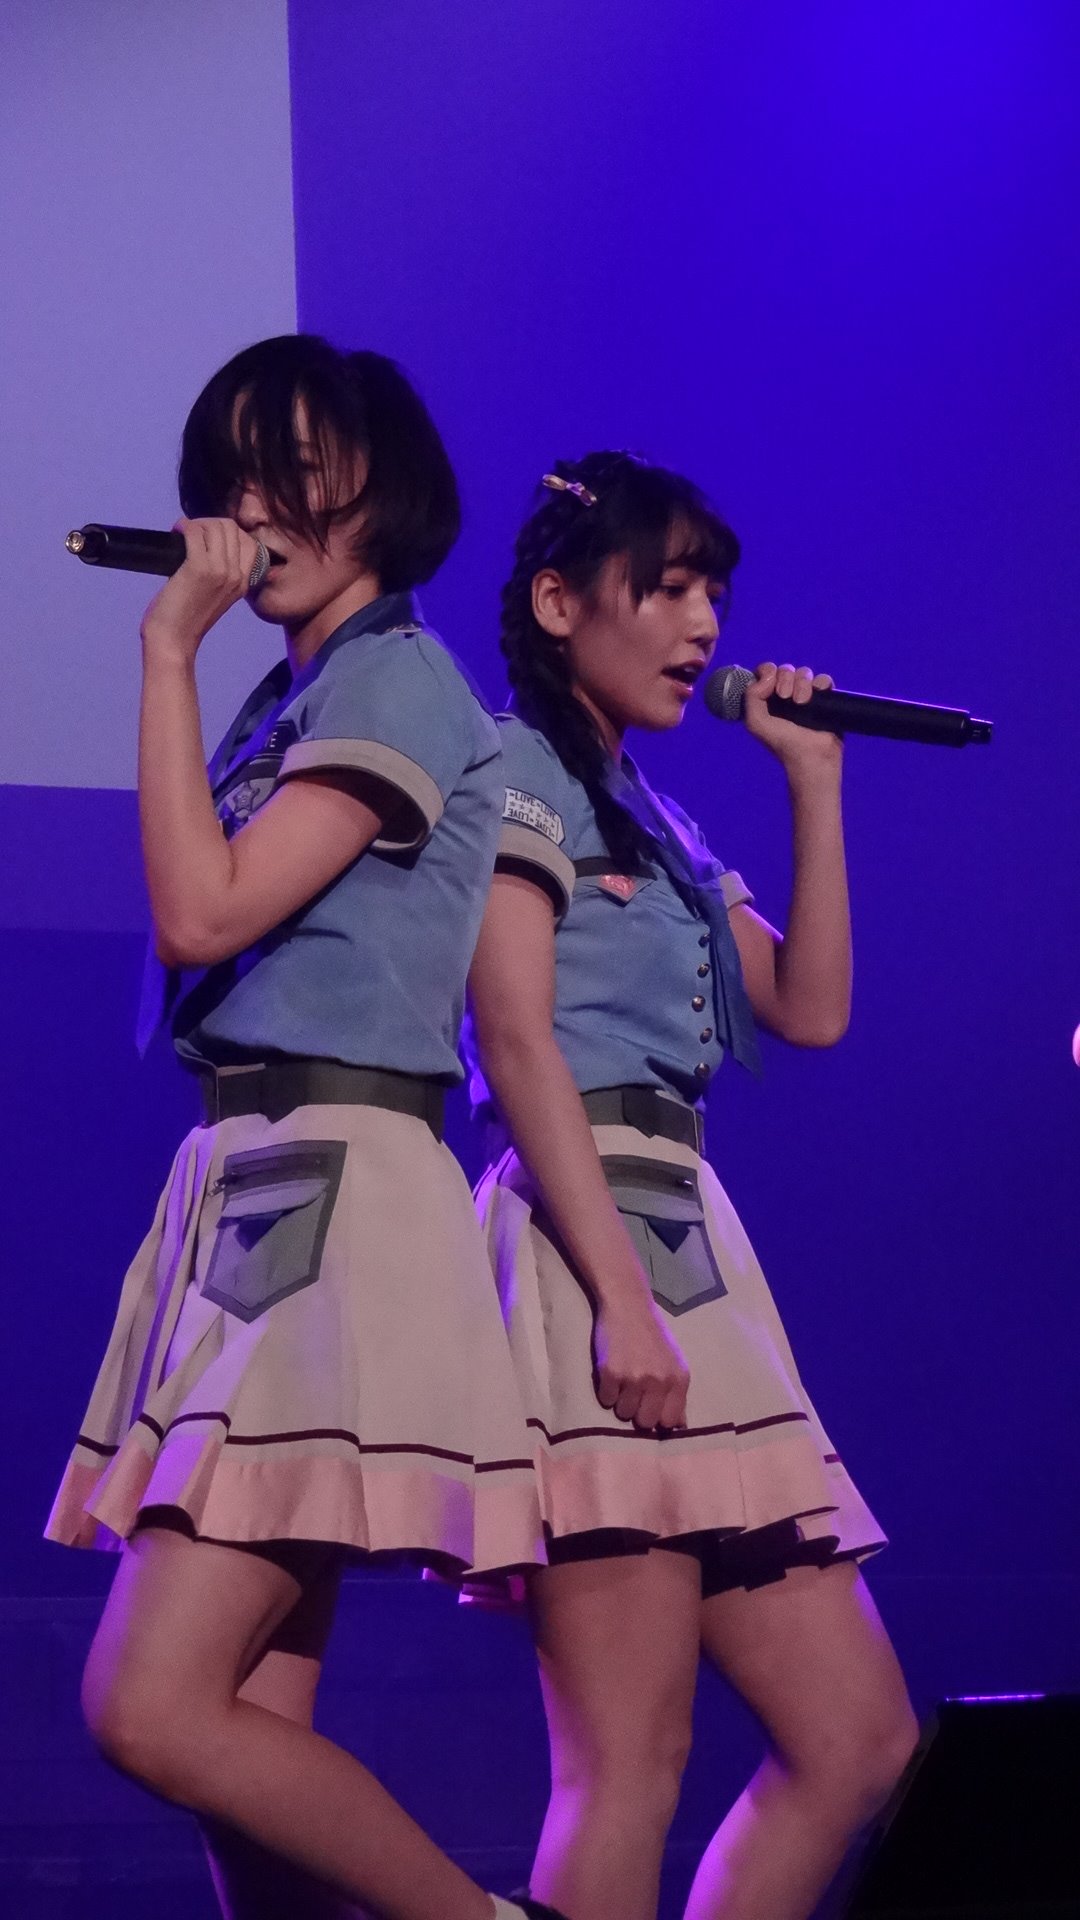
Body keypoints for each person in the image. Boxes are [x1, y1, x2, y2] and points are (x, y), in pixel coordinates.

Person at [46, 335, 557, 1920]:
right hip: (255, 1181)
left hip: (329, 1188)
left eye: (289, 474)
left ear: (381, 489)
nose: (248, 508)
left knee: (147, 1705)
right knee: (248, 1729)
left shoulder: (395, 679)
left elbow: (201, 914)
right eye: (229, 478)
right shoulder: (306, 692)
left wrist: (163, 652)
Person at [466, 453, 920, 1920]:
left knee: (857, 1740)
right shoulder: (513, 771)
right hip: (584, 1234)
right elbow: (515, 1037)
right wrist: (618, 1300)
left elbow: (810, 1007)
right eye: (666, 589)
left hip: (693, 1240)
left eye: (712, 592)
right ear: (559, 601)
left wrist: (814, 780)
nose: (704, 623)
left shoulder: (656, 815)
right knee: (629, 1759)